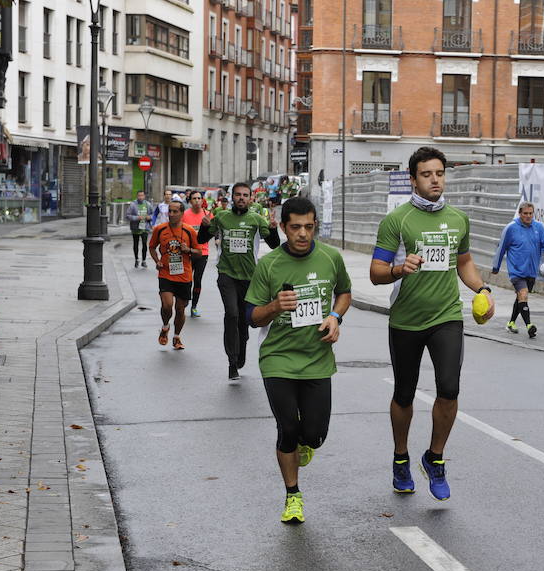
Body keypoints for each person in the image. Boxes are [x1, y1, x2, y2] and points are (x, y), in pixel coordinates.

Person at [370, 146, 495, 501]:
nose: (435, 179)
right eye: (426, 174)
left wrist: (481, 287)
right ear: (413, 179)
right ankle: (400, 457)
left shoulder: (458, 219)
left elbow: (465, 263)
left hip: (446, 317)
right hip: (407, 320)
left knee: (449, 388)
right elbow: (376, 272)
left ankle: (435, 457)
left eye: (439, 173)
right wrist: (398, 268)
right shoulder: (398, 220)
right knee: (404, 393)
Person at [246, 197, 352, 524]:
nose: (303, 234)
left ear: (315, 225)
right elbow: (252, 317)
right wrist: (275, 306)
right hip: (278, 358)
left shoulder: (331, 258)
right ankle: (293, 495)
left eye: (309, 226)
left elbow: (345, 293)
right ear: (282, 227)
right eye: (295, 227)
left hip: (317, 358)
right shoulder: (270, 265)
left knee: (316, 433)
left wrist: (335, 316)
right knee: (287, 427)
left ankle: (307, 443)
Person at [198, 182, 280, 380]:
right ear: (232, 197)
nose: (241, 198)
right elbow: (202, 239)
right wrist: (204, 227)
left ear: (250, 198)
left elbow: (275, 244)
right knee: (232, 315)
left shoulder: (256, 219)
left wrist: (273, 229)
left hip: (249, 278)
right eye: (238, 195)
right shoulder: (221, 217)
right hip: (226, 275)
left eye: (245, 195)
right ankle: (232, 362)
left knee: (244, 320)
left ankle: (241, 349)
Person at [491, 202, 544, 338]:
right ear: (520, 213)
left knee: (521, 298)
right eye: (525, 213)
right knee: (523, 294)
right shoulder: (511, 228)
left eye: (530, 213)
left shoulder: (538, 227)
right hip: (516, 271)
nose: (528, 216)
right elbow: (501, 248)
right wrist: (496, 267)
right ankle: (529, 325)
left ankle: (511, 323)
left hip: (531, 271)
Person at [149, 199, 201, 351]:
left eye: (175, 212)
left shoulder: (189, 231)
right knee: (167, 306)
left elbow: (199, 252)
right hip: (165, 273)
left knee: (180, 309)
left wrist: (189, 250)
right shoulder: (159, 229)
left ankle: (176, 336)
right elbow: (152, 247)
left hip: (184, 275)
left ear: (182, 213)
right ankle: (165, 327)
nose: (171, 214)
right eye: (169, 211)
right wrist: (157, 261)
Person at [182, 190, 213, 317]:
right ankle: (184, 301)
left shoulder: (207, 214)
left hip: (202, 253)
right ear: (190, 201)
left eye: (199, 198)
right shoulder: (184, 214)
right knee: (187, 280)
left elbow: (213, 232)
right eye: (194, 198)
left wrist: (210, 229)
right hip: (188, 252)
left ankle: (194, 306)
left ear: (202, 200)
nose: (197, 201)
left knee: (197, 280)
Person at [126, 190, 153, 268]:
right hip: (135, 228)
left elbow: (153, 214)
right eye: (139, 195)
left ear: (144, 196)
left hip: (145, 227)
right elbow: (128, 215)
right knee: (136, 244)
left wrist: (149, 217)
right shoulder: (133, 205)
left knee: (144, 244)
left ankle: (144, 261)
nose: (140, 197)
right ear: (137, 196)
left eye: (142, 195)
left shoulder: (148, 204)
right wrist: (137, 218)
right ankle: (136, 259)